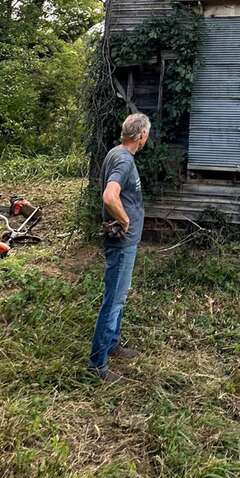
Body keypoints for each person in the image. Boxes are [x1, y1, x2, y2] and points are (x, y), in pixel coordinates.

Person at [88, 112, 150, 381]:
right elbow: (110, 196)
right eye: (147, 135)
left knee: (118, 297)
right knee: (113, 300)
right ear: (142, 135)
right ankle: (97, 365)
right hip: (122, 242)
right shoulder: (124, 160)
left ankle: (112, 344)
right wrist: (125, 220)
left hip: (124, 242)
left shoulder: (116, 153)